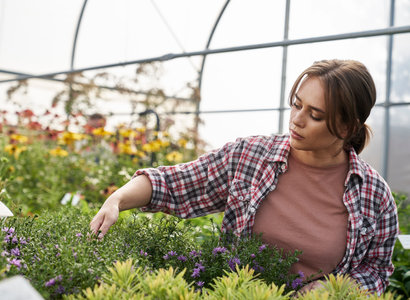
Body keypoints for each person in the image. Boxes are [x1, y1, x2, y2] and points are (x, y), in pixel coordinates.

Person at [90, 59, 398, 295]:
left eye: (315, 115)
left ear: (347, 127)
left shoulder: (374, 196)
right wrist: (117, 199)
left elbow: (375, 272)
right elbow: (175, 183)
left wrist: (329, 292)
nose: (297, 119)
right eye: (296, 105)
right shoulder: (250, 156)